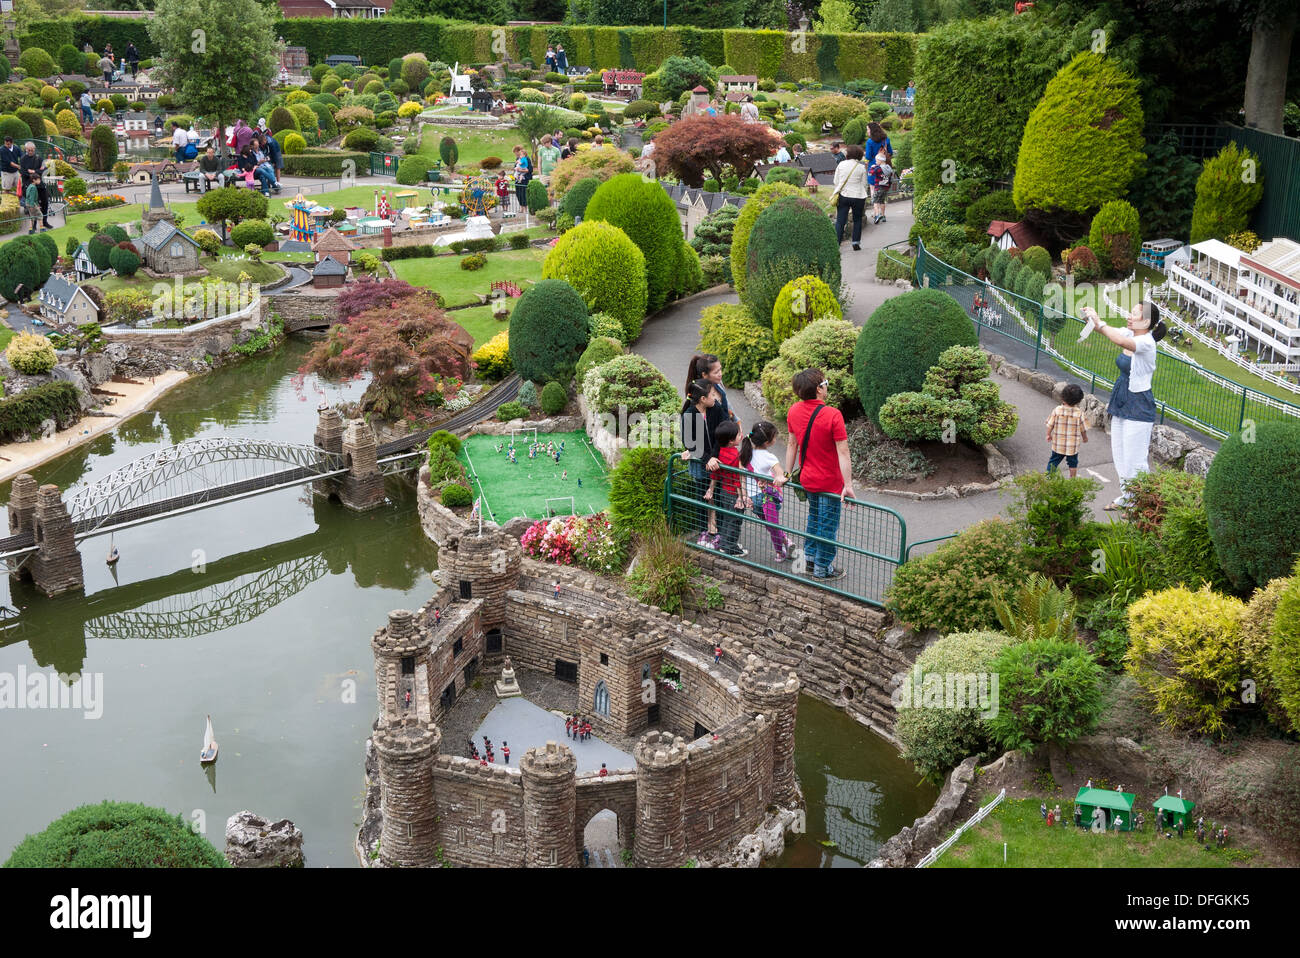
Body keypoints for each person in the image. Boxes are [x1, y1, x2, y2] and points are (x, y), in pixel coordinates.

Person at [1081, 301, 1165, 510]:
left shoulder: (1146, 342)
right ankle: (1128, 497)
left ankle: (1141, 503)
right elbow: (1109, 332)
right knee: (1119, 454)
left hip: (1138, 405)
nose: (1129, 316)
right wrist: (1092, 318)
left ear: (1145, 321)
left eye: (1134, 314)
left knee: (1135, 459)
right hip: (1121, 400)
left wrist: (1100, 322)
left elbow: (1116, 338)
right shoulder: (1131, 334)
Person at [783, 369, 855, 580]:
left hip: (807, 478)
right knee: (827, 524)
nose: (827, 385)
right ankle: (824, 569)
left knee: (814, 518)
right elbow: (843, 451)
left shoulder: (794, 411)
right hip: (829, 482)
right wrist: (848, 484)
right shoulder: (833, 415)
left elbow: (792, 444)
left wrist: (788, 473)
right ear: (818, 389)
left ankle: (810, 560)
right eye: (825, 382)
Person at [679, 378, 722, 545]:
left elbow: (721, 435)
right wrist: (707, 459)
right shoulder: (689, 415)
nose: (715, 398)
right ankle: (703, 531)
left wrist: (714, 456)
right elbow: (689, 444)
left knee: (718, 497)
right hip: (701, 464)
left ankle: (718, 531)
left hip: (716, 461)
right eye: (712, 394)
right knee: (702, 498)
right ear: (703, 399)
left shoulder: (715, 409)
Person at [741, 420, 791, 561]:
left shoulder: (745, 454)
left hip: (752, 499)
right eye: (774, 437)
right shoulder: (770, 457)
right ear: (768, 442)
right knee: (773, 525)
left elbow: (742, 478)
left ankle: (786, 541)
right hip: (766, 497)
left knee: (769, 525)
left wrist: (745, 496)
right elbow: (782, 474)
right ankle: (780, 552)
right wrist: (786, 476)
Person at [703, 421, 750, 557]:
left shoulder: (720, 453)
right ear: (731, 441)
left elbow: (715, 474)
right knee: (735, 521)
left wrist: (711, 489)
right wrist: (742, 497)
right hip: (734, 494)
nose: (740, 435)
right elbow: (738, 479)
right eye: (738, 434)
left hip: (724, 491)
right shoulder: (736, 456)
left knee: (727, 519)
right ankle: (730, 548)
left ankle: (725, 543)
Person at [831, 143, 869, 252]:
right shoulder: (861, 167)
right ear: (859, 155)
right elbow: (864, 184)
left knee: (840, 221)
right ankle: (855, 242)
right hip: (858, 196)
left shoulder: (841, 165)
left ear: (848, 154)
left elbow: (836, 181)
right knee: (857, 219)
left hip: (844, 195)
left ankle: (836, 244)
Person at [1046, 383, 1088, 477]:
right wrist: (1085, 438)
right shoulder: (1079, 413)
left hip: (1058, 444)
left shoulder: (1057, 410)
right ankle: (1072, 481)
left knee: (1053, 462)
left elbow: (1050, 424)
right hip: (1072, 446)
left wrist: (1048, 434)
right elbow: (1083, 429)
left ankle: (1048, 478)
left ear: (1063, 397)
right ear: (1078, 401)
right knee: (1073, 464)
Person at [18, 143, 50, 230]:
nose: (30, 152)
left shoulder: (38, 158)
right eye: (29, 150)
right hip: (29, 186)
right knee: (32, 206)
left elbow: (44, 169)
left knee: (45, 203)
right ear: (26, 149)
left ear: (34, 149)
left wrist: (33, 172)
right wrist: (34, 174)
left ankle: (45, 222)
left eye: (32, 150)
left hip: (40, 184)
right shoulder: (23, 159)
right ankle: (34, 225)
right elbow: (23, 171)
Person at [868, 149, 893, 225]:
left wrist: (872, 167)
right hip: (886, 187)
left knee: (875, 201)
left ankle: (877, 215)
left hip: (878, 187)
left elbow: (870, 174)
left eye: (876, 160)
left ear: (880, 160)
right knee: (882, 201)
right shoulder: (888, 167)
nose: (876, 162)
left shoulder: (878, 168)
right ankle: (883, 215)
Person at [512, 145, 532, 210]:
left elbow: (530, 169)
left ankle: (525, 207)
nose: (515, 154)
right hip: (517, 178)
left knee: (524, 193)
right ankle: (521, 206)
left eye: (516, 152)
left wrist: (520, 170)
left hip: (524, 178)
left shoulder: (526, 159)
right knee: (518, 193)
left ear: (519, 151)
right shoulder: (518, 159)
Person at [22, 169, 41, 234]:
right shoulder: (33, 187)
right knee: (40, 215)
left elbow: (27, 196)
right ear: (34, 180)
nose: (39, 181)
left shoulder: (29, 186)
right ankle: (42, 228)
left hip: (28, 203)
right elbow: (32, 198)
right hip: (31, 204)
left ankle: (30, 230)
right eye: (38, 179)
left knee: (32, 216)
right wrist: (33, 206)